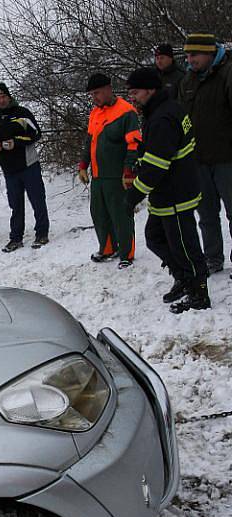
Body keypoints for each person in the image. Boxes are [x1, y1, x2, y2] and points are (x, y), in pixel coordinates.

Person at [125, 67, 209, 313]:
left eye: (136, 92)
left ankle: (199, 292)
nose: (133, 97)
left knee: (184, 245)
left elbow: (155, 166)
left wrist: (132, 196)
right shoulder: (162, 110)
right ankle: (183, 277)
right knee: (155, 237)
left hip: (176, 193)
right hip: (167, 193)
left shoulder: (162, 117)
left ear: (151, 90)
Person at [178, 32, 232, 276]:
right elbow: (181, 119)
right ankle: (213, 258)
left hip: (226, 158)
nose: (190, 59)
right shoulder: (187, 81)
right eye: (187, 55)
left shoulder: (227, 73)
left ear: (210, 53)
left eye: (195, 54)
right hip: (198, 160)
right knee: (207, 214)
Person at [78, 73, 141, 269]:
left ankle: (126, 253)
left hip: (117, 175)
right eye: (91, 94)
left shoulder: (126, 112)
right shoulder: (95, 113)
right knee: (99, 213)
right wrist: (83, 165)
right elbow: (89, 142)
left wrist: (129, 170)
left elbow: (134, 143)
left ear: (108, 89)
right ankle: (107, 248)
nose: (94, 97)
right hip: (98, 175)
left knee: (121, 214)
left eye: (96, 93)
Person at [0, 82, 49, 252]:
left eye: (3, 97)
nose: (1, 100)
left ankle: (42, 233)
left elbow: (36, 133)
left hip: (28, 164)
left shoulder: (22, 113)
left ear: (9, 97)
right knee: (15, 205)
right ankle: (16, 238)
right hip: (9, 169)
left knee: (37, 200)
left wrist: (16, 142)